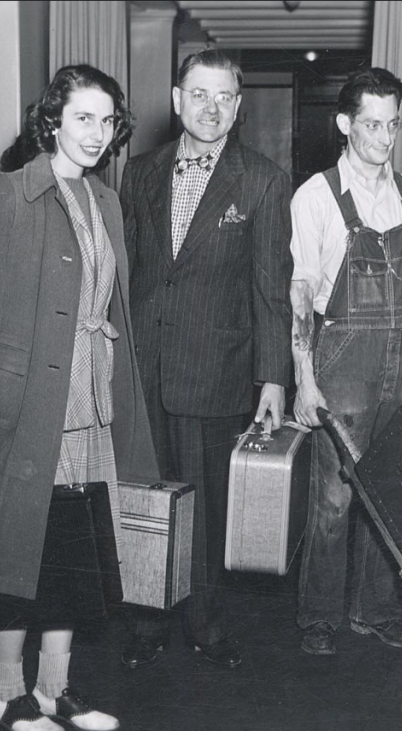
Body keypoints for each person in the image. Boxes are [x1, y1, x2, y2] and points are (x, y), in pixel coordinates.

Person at [0, 65, 159, 731]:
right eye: (83, 117)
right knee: (23, 547)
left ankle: (55, 688)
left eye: (108, 122)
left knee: (77, 547)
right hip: (33, 400)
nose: (97, 134)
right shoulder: (8, 193)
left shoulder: (106, 200)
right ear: (50, 121)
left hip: (92, 391)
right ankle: (5, 688)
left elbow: (114, 308)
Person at [119, 49, 294, 670]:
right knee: (145, 501)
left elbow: (271, 289)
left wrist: (273, 377)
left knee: (208, 505)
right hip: (144, 366)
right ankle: (146, 624)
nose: (211, 107)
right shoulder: (138, 173)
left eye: (224, 97)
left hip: (216, 369)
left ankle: (206, 626)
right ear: (175, 99)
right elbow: (132, 273)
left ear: (239, 106)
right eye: (199, 94)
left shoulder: (263, 180)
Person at [290, 67, 402, 656]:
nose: (383, 138)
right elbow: (301, 295)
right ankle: (319, 617)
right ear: (344, 123)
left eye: (393, 125)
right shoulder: (317, 195)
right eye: (371, 125)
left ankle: (374, 610)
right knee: (334, 498)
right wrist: (305, 380)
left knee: (391, 493)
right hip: (344, 356)